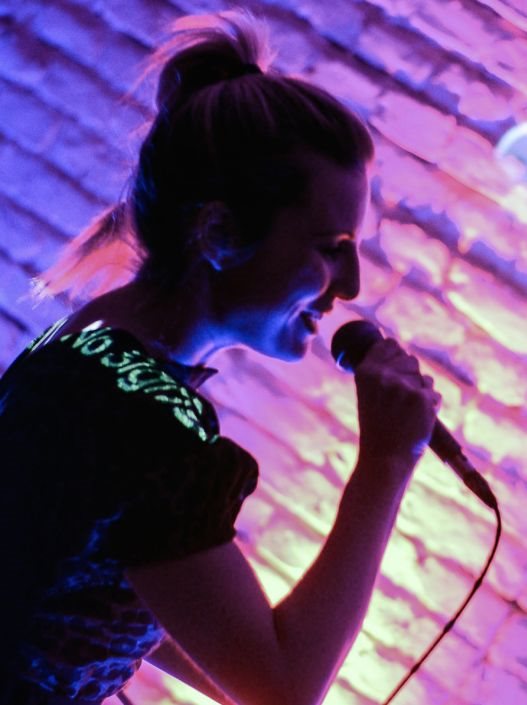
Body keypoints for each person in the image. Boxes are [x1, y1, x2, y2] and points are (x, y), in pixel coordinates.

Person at [0, 9, 440, 705]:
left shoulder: (90, 342)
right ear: (219, 232)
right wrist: (386, 461)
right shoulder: (148, 428)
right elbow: (285, 691)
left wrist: (233, 657)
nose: (352, 285)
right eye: (331, 248)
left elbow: (81, 590)